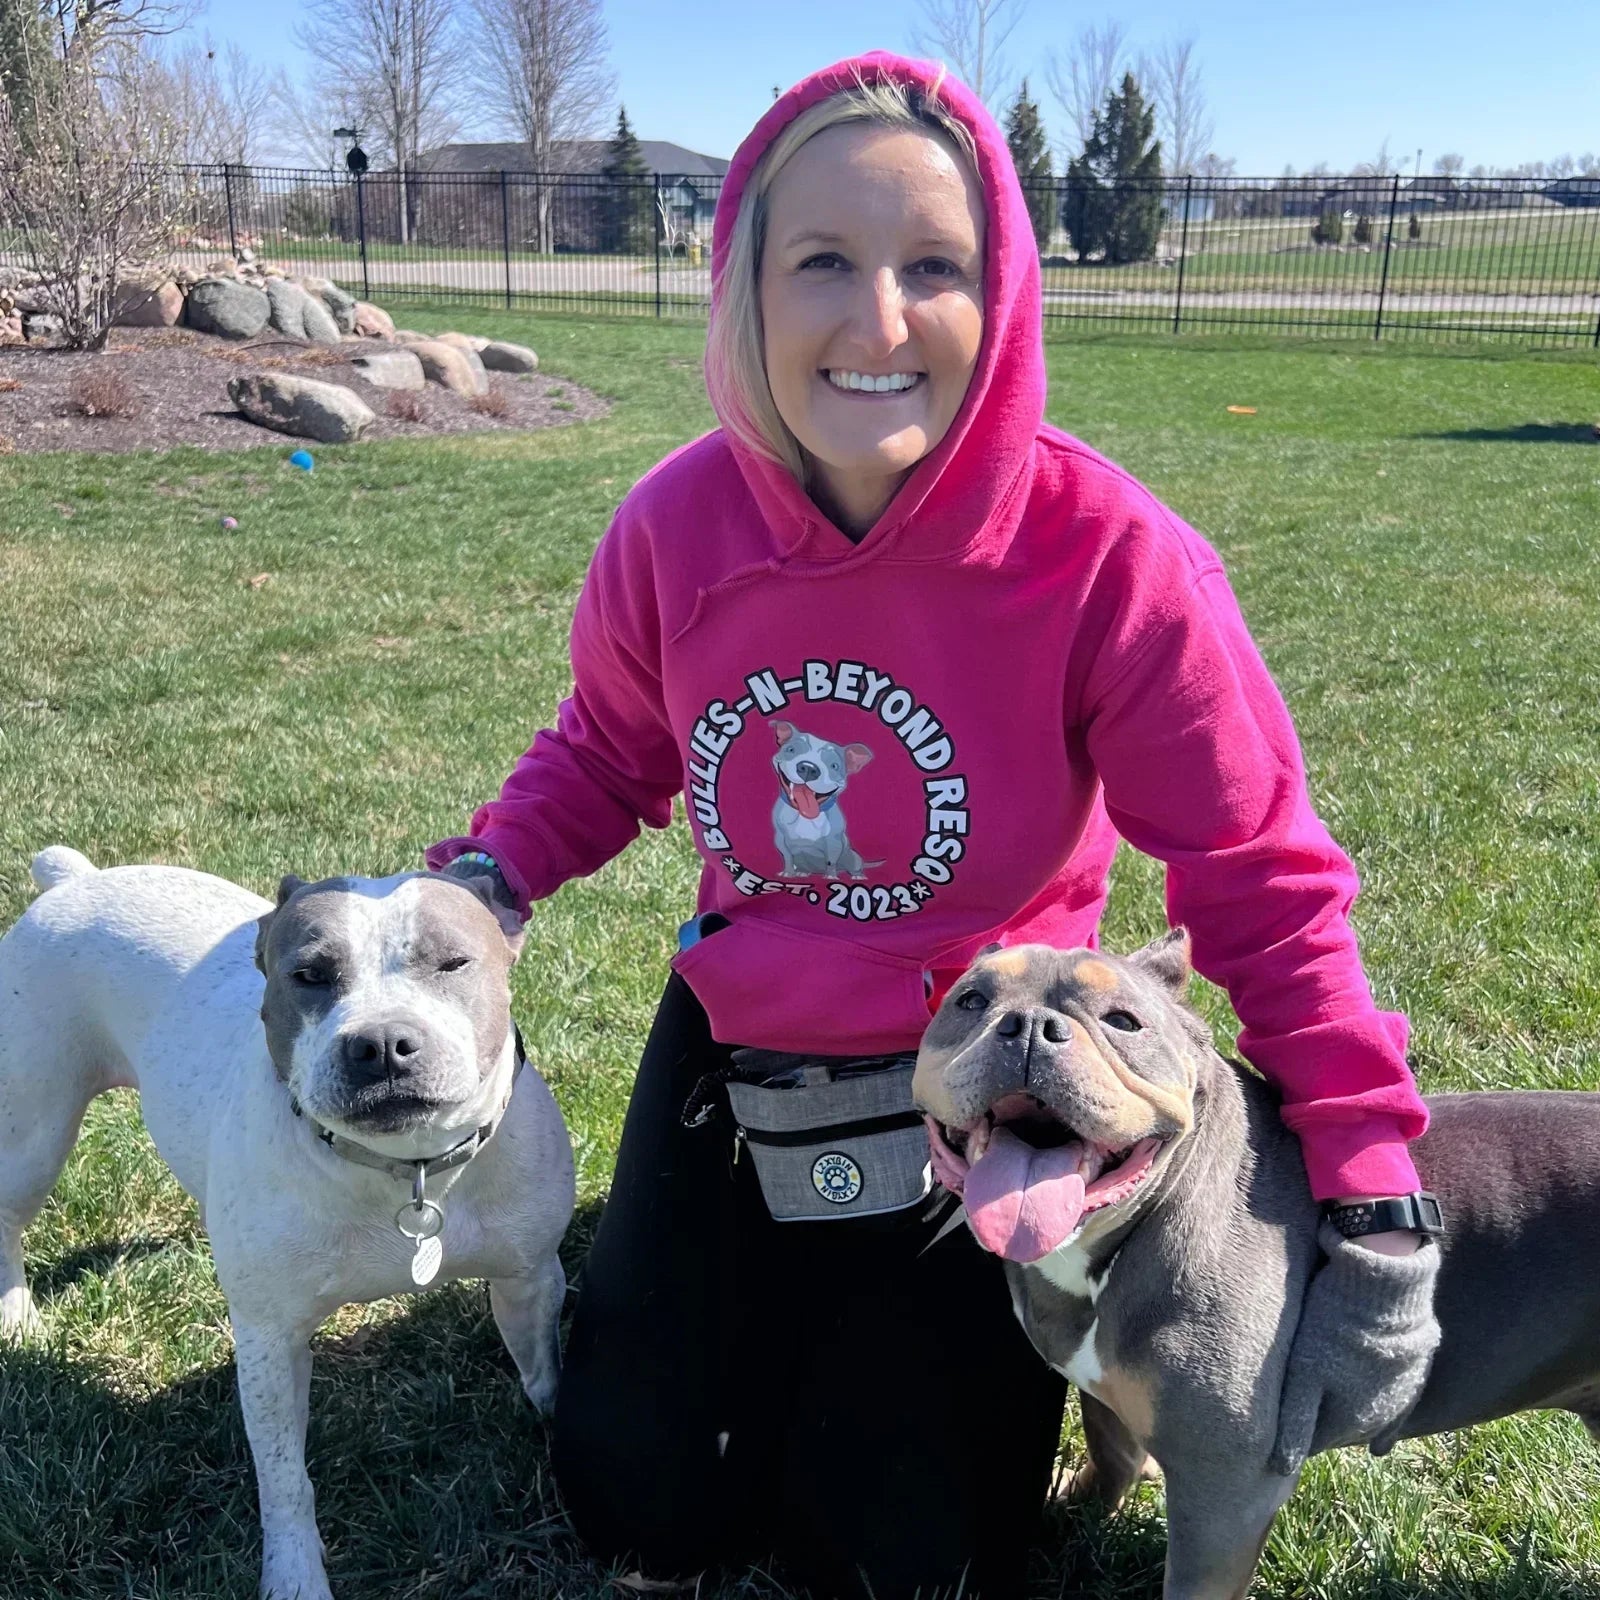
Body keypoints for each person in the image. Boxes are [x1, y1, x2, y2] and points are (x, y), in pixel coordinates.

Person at [429, 51, 1440, 1600]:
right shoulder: (675, 528)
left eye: (937, 268)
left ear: (1006, 293)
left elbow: (1259, 882)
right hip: (746, 1049)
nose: (880, 319)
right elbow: (610, 749)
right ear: (743, 285)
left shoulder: (1108, 557)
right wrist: (487, 884)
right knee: (642, 1500)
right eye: (823, 260)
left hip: (996, 1067)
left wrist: (1368, 1176)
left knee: (899, 1554)